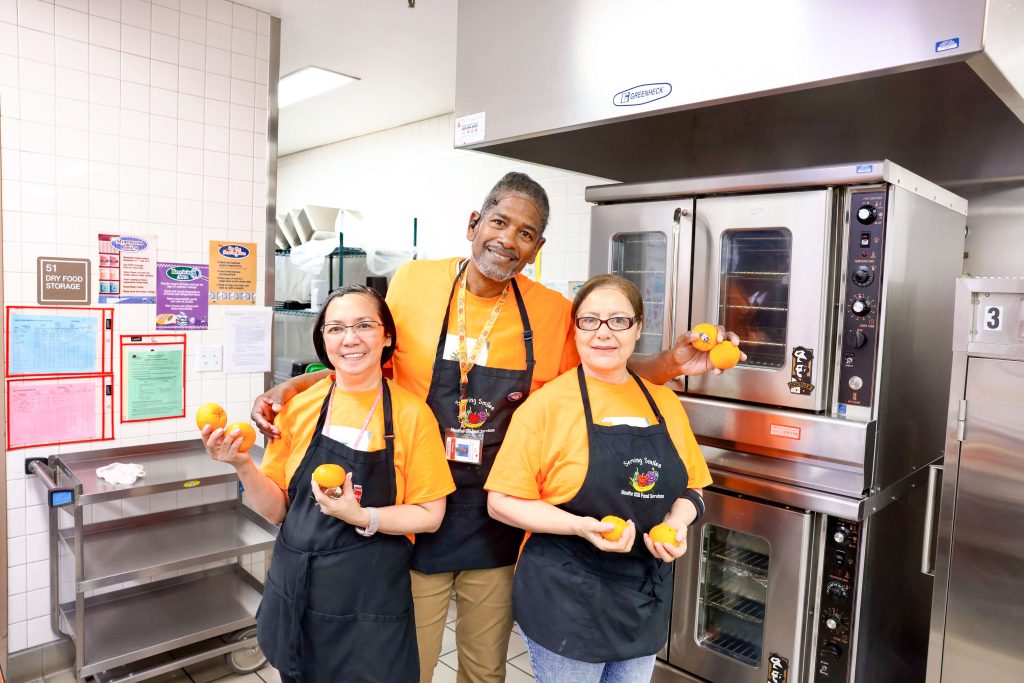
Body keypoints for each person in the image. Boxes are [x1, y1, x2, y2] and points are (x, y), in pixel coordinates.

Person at [250, 173, 741, 683]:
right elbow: (370, 355)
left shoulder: (551, 312)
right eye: (500, 222)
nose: (508, 239)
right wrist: (295, 389)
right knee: (405, 665)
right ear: (474, 224)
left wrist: (671, 362)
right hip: (417, 511)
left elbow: (608, 371)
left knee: (484, 671)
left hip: (497, 520)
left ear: (537, 248)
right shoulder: (415, 283)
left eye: (526, 233)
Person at [203, 285, 455, 683]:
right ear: (323, 338)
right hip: (297, 587)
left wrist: (363, 515)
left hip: (367, 600)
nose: (350, 338)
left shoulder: (411, 415)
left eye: (364, 325)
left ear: (387, 336)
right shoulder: (299, 406)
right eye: (335, 328)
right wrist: (241, 465)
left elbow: (430, 516)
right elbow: (277, 509)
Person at [485, 274, 712, 683]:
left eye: (618, 321)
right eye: (590, 320)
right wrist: (579, 526)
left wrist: (676, 525)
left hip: (642, 597)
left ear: (639, 327)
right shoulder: (546, 406)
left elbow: (692, 489)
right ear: (575, 329)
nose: (603, 333)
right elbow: (501, 502)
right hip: (566, 598)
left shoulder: (664, 402)